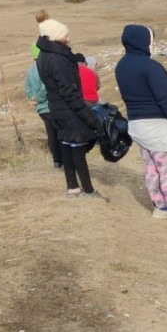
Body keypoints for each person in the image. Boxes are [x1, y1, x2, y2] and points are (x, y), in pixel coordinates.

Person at [115, 24, 167, 223]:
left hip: (136, 123)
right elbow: (165, 97)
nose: (152, 44)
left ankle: (159, 206)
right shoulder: (150, 66)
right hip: (157, 124)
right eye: (150, 40)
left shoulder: (121, 66)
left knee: (151, 168)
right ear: (143, 41)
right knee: (166, 169)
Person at [35, 16, 104, 200]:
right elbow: (69, 91)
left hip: (56, 107)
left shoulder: (44, 55)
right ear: (56, 36)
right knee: (78, 148)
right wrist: (88, 116)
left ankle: (72, 187)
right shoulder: (58, 58)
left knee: (66, 145)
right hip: (68, 109)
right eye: (65, 35)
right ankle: (88, 190)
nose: (68, 38)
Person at [24, 44, 63, 169]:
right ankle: (64, 160)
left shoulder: (30, 71)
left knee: (51, 135)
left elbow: (28, 89)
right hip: (50, 105)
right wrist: (40, 98)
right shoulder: (44, 67)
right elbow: (45, 87)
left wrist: (33, 98)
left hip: (41, 110)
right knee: (60, 133)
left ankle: (57, 161)